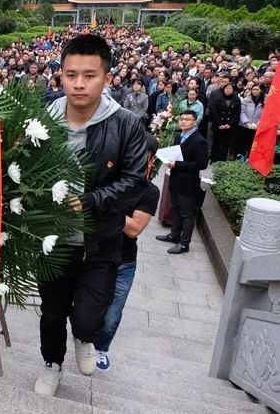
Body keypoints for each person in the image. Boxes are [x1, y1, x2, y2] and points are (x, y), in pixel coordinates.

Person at [35, 34, 147, 397]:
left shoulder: (126, 123)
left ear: (107, 77)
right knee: (52, 314)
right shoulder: (42, 120)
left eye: (89, 75)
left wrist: (90, 200)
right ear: (61, 76)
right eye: (70, 75)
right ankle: (51, 364)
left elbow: (134, 183)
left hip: (100, 241)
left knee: (87, 315)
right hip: (52, 240)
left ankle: (85, 336)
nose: (79, 84)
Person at [95, 135, 160, 371]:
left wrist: (107, 205)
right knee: (87, 309)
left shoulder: (150, 192)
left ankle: (101, 348)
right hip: (96, 256)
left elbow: (134, 229)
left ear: (150, 160)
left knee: (112, 316)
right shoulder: (107, 179)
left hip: (124, 262)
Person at [155, 109, 209, 254]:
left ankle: (184, 243)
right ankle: (174, 234)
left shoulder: (199, 140)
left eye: (187, 119)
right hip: (175, 179)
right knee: (176, 210)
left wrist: (177, 165)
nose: (183, 121)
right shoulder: (179, 137)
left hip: (188, 183)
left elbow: (202, 163)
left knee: (187, 213)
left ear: (195, 121)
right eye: (181, 119)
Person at [209, 83, 241, 162]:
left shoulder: (236, 99)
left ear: (233, 90)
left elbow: (237, 114)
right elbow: (214, 112)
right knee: (216, 142)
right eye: (226, 88)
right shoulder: (218, 98)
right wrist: (219, 124)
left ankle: (222, 159)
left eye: (230, 88)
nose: (227, 90)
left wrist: (229, 124)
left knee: (225, 143)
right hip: (218, 124)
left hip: (229, 126)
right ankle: (214, 158)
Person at [236, 84, 265, 158]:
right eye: (253, 89)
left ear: (261, 91)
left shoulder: (265, 101)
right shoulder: (246, 100)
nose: (254, 91)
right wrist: (247, 123)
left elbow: (265, 114)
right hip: (244, 126)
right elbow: (242, 112)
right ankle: (240, 160)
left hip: (257, 127)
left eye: (256, 89)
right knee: (242, 145)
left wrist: (258, 124)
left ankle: (250, 159)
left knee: (252, 145)